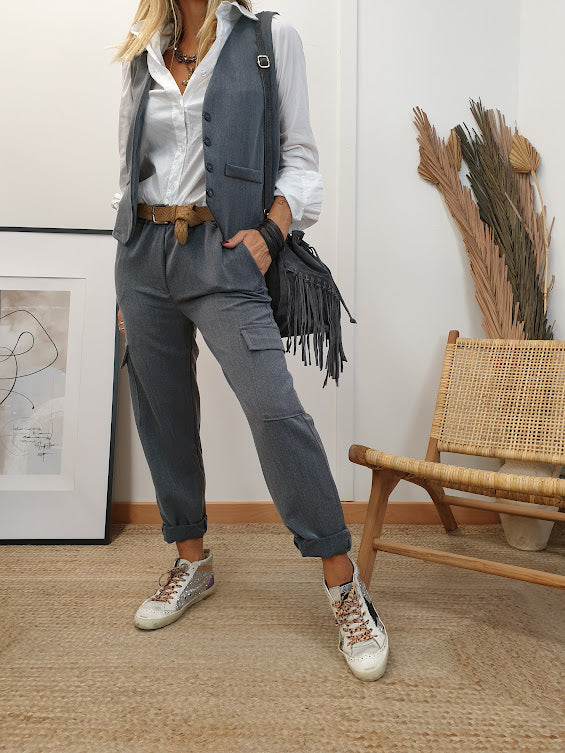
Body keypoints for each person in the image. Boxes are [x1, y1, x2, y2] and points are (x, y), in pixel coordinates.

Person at [113, 0, 388, 681]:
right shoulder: (142, 49)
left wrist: (271, 233)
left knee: (274, 411)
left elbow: (301, 157)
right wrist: (123, 276)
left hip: (226, 251)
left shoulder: (267, 37)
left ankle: (343, 582)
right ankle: (191, 560)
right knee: (162, 412)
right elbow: (126, 166)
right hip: (143, 254)